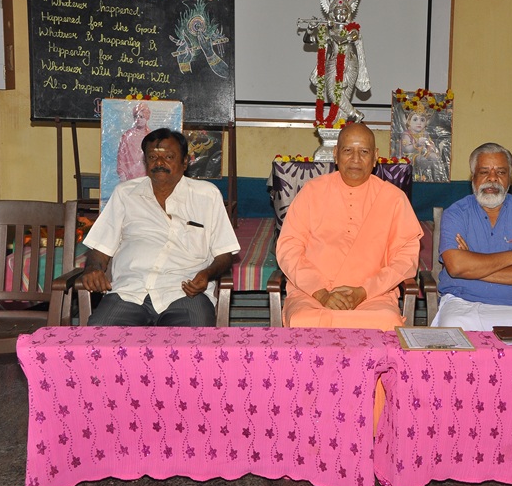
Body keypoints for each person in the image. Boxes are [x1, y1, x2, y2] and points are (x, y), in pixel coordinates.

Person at [81, 128, 240, 327]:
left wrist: (207, 274)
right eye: (153, 157)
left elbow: (224, 254)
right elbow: (100, 249)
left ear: (185, 162)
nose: (159, 163)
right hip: (129, 292)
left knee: (193, 342)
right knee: (98, 337)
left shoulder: (207, 196)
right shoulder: (125, 194)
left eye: (169, 157)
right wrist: (93, 268)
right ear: (145, 162)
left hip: (185, 293)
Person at [276, 122, 422, 329]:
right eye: (347, 151)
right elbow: (289, 249)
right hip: (312, 295)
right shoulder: (312, 192)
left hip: (374, 297)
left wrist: (364, 291)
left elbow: (405, 259)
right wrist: (321, 293)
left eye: (364, 152)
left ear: (375, 157)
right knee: (303, 320)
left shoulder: (394, 199)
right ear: (335, 154)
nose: (355, 159)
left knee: (386, 322)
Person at [431, 142, 512, 332]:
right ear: (473, 177)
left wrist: (473, 269)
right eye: (484, 172)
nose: (492, 178)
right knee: (454, 330)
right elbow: (457, 266)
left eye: (501, 172)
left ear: (509, 177)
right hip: (464, 302)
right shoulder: (456, 213)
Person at [302, 0, 370, 124]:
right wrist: (310, 28)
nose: (341, 14)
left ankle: (341, 125)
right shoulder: (327, 32)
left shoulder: (352, 29)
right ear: (332, 14)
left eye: (344, 11)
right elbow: (308, 40)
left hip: (350, 63)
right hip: (333, 63)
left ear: (348, 13)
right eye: (337, 11)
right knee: (334, 94)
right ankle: (356, 114)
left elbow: (344, 39)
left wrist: (338, 34)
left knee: (345, 95)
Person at [116, 102, 152, 182]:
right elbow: (121, 159)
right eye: (136, 116)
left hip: (147, 179)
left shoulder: (151, 136)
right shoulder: (126, 136)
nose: (138, 119)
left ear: (147, 117)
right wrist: (123, 177)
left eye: (141, 117)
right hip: (129, 179)